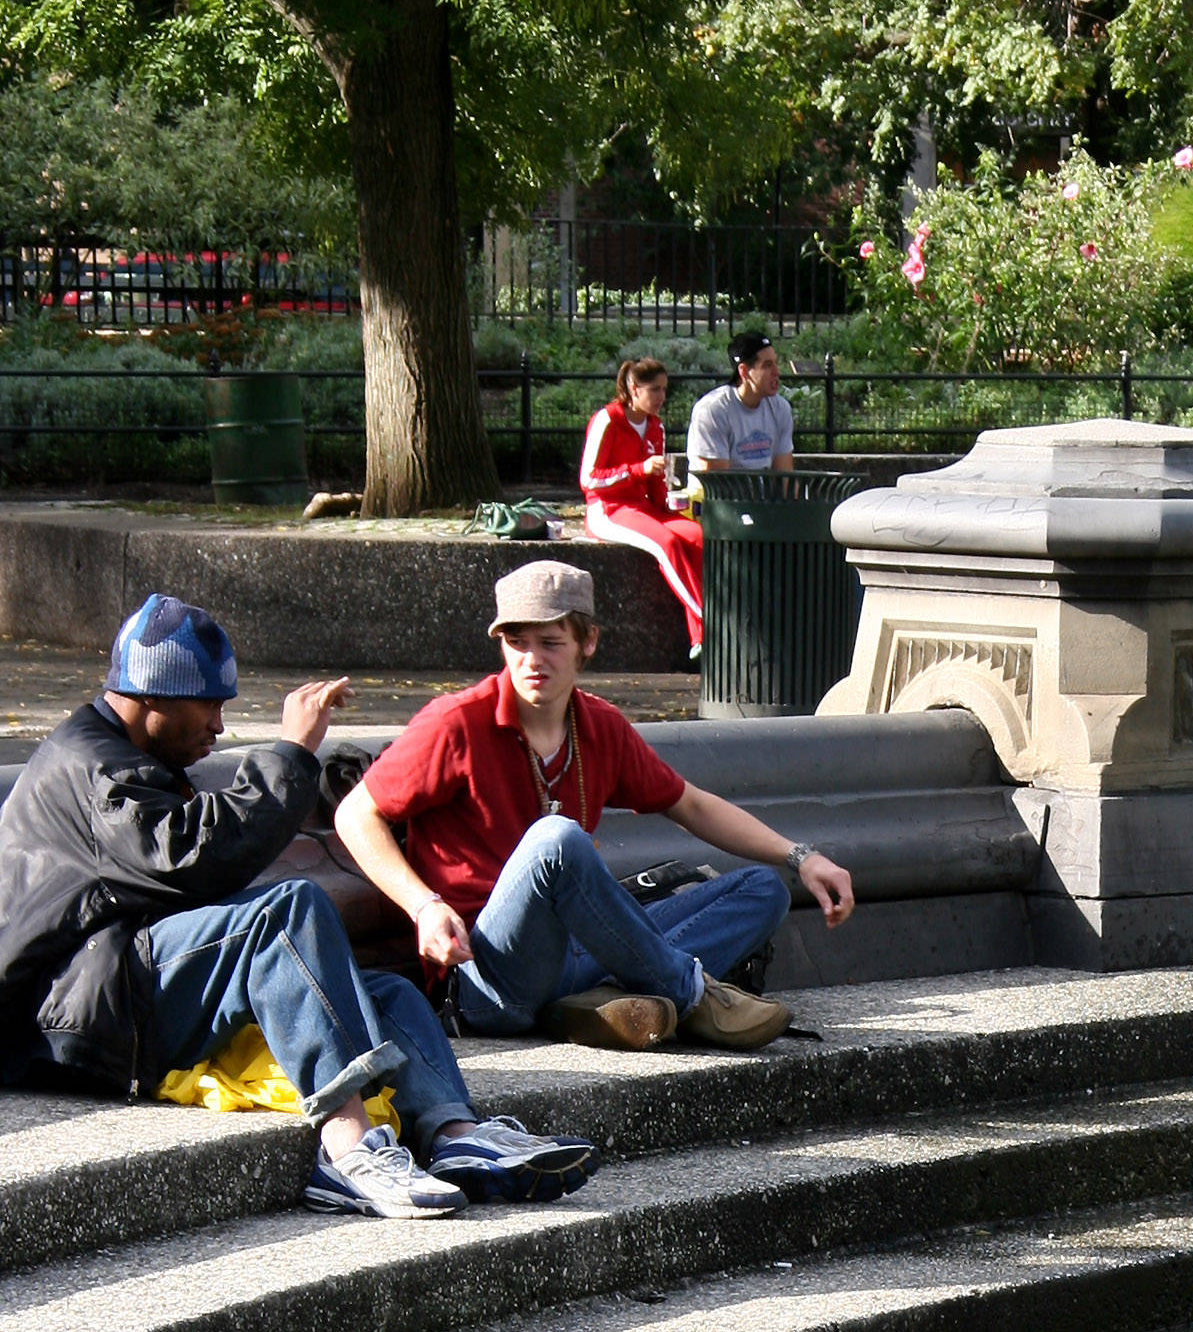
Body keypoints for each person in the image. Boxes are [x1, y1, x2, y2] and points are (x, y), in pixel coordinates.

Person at [0, 594, 594, 1218]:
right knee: (285, 913)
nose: (220, 727)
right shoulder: (91, 769)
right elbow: (195, 856)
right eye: (210, 705)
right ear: (154, 695)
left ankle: (455, 1136)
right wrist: (291, 754)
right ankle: (348, 1150)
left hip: (121, 980)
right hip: (77, 1012)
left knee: (384, 993)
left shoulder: (121, 756)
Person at [332, 559, 854, 1054]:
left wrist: (802, 857)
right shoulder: (455, 723)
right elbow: (354, 815)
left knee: (763, 889)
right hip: (486, 978)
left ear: (588, 642)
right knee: (556, 840)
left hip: (576, 956)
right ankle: (691, 995)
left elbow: (691, 805)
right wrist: (423, 906)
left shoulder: (599, 727)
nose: (531, 660)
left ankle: (599, 1002)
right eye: (517, 643)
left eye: (551, 643)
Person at [580, 354, 705, 664]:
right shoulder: (608, 419)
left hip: (644, 507)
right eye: (655, 390)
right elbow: (588, 479)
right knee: (668, 543)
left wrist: (672, 503)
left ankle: (700, 635)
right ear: (634, 389)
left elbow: (655, 484)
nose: (661, 397)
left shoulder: (655, 426)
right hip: (607, 510)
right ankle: (707, 623)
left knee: (697, 535)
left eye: (664, 390)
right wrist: (638, 470)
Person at [687, 328, 796, 475]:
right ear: (744, 371)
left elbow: (785, 478)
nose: (777, 372)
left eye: (776, 363)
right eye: (767, 365)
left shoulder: (780, 408)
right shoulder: (713, 410)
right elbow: (716, 483)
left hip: (763, 496)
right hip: (718, 496)